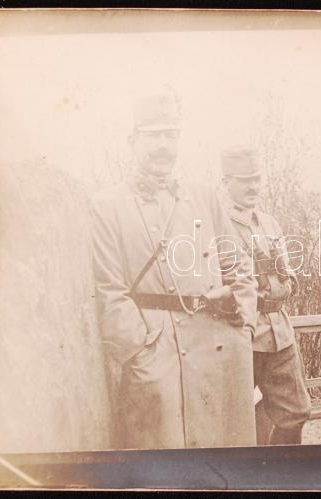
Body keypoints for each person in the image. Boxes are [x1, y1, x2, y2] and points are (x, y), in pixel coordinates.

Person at [91, 89, 258, 449]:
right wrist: (140, 352)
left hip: (217, 348)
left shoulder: (204, 197)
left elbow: (239, 266)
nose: (163, 146)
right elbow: (110, 290)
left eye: (171, 135)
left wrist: (243, 325)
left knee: (222, 459)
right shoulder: (107, 205)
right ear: (132, 141)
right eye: (153, 136)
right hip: (156, 354)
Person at [219, 146, 312, 445]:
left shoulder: (269, 223)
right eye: (244, 180)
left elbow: (288, 275)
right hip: (238, 333)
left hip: (278, 331)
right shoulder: (216, 225)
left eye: (256, 179)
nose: (253, 186)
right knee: (232, 419)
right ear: (226, 182)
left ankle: (282, 469)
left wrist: (285, 278)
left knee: (296, 411)